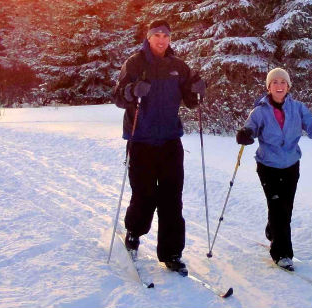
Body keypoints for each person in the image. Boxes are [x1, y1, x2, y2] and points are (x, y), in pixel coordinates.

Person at [112, 20, 206, 275]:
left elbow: (190, 101)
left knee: (172, 199)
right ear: (149, 37)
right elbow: (118, 97)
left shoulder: (178, 66)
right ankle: (134, 231)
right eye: (157, 35)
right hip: (141, 139)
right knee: (144, 195)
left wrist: (198, 91)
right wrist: (133, 90)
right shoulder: (134, 63)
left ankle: (172, 253)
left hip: (169, 141)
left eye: (165, 35)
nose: (162, 39)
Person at [235, 67, 312, 271]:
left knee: (286, 207)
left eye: (283, 82)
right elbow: (251, 129)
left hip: (291, 164)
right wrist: (245, 134)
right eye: (275, 82)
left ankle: (273, 230)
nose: (279, 85)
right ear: (269, 87)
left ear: (288, 86)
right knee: (277, 207)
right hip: (268, 166)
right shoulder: (260, 111)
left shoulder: (298, 108)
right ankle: (282, 253)